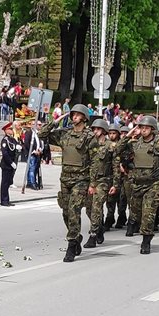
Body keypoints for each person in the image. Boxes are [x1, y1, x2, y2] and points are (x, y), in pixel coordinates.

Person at [111, 115, 159, 254]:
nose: (144, 130)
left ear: (152, 130)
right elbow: (116, 150)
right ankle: (142, 230)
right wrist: (128, 135)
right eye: (141, 127)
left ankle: (146, 240)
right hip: (137, 184)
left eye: (146, 128)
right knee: (136, 213)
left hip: (154, 184)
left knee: (148, 213)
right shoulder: (134, 144)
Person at [38, 104, 93, 262]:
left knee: (74, 209)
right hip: (65, 179)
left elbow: (95, 161)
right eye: (73, 114)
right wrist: (56, 121)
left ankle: (70, 244)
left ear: (83, 117)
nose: (74, 116)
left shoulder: (89, 137)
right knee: (66, 213)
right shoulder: (65, 134)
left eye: (77, 114)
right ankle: (76, 237)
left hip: (81, 180)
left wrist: (93, 183)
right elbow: (42, 134)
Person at [84, 118, 113, 248]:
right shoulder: (89, 144)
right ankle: (99, 227)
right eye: (94, 129)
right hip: (90, 180)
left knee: (96, 206)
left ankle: (93, 234)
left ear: (104, 131)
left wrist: (115, 184)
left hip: (103, 180)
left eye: (98, 129)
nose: (95, 131)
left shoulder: (109, 146)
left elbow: (116, 165)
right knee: (89, 208)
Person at [0, 122, 19, 206]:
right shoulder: (5, 140)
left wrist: (19, 147)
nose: (12, 130)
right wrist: (11, 163)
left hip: (12, 164)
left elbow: (17, 145)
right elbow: (5, 153)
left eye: (12, 129)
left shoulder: (12, 139)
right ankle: (4, 200)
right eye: (10, 129)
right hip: (6, 164)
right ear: (6, 131)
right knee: (5, 183)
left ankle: (7, 200)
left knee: (8, 183)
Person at [24, 120, 43, 190]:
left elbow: (40, 143)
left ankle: (29, 182)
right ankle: (32, 183)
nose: (40, 126)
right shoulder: (29, 133)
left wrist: (40, 149)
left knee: (33, 169)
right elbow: (26, 143)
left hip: (38, 153)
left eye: (40, 125)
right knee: (31, 168)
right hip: (31, 153)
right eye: (38, 125)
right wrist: (33, 151)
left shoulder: (38, 133)